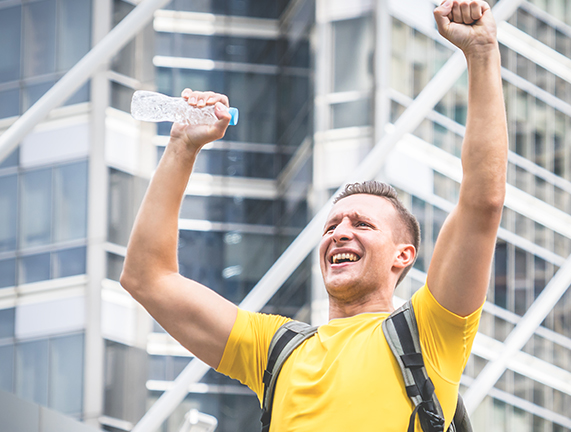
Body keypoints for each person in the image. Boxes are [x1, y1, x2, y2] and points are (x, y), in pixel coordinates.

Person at [120, 0, 507, 430]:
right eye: (332, 226)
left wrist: (482, 52)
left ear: (403, 255)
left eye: (362, 224)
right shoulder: (276, 349)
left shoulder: (431, 333)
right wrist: (181, 147)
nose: (340, 233)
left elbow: (482, 202)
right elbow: (147, 278)